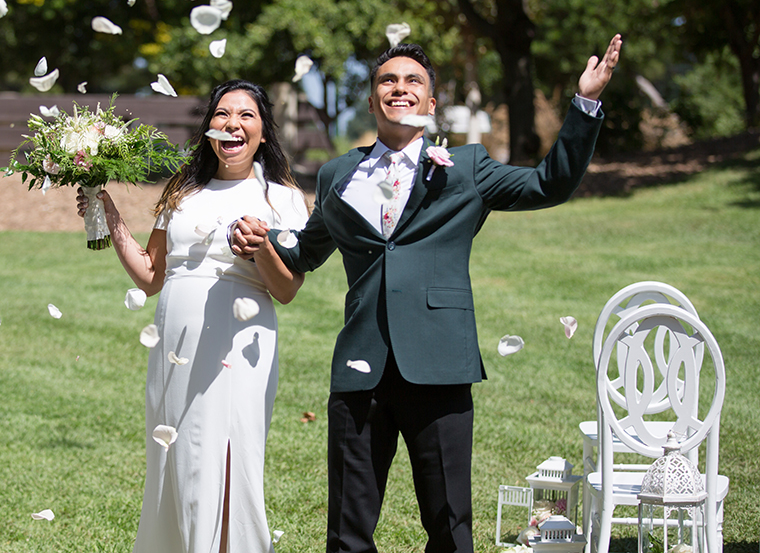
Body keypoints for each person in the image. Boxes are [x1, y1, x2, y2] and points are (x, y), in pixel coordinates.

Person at [232, 35, 622, 553]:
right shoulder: (336, 175)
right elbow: (304, 252)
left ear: (430, 103)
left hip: (440, 364)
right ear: (372, 101)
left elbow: (550, 183)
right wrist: (263, 240)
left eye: (413, 80)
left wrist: (586, 104)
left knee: (450, 527)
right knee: (347, 532)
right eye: (387, 81)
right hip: (359, 369)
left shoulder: (467, 167)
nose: (400, 88)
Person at [78, 79, 309, 553]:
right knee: (177, 457)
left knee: (230, 455)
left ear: (263, 133)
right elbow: (150, 274)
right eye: (222, 115)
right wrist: (107, 210)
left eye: (247, 116)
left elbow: (286, 288)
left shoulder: (282, 199)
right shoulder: (183, 192)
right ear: (208, 129)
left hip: (240, 342)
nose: (233, 124)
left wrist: (262, 248)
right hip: (173, 344)